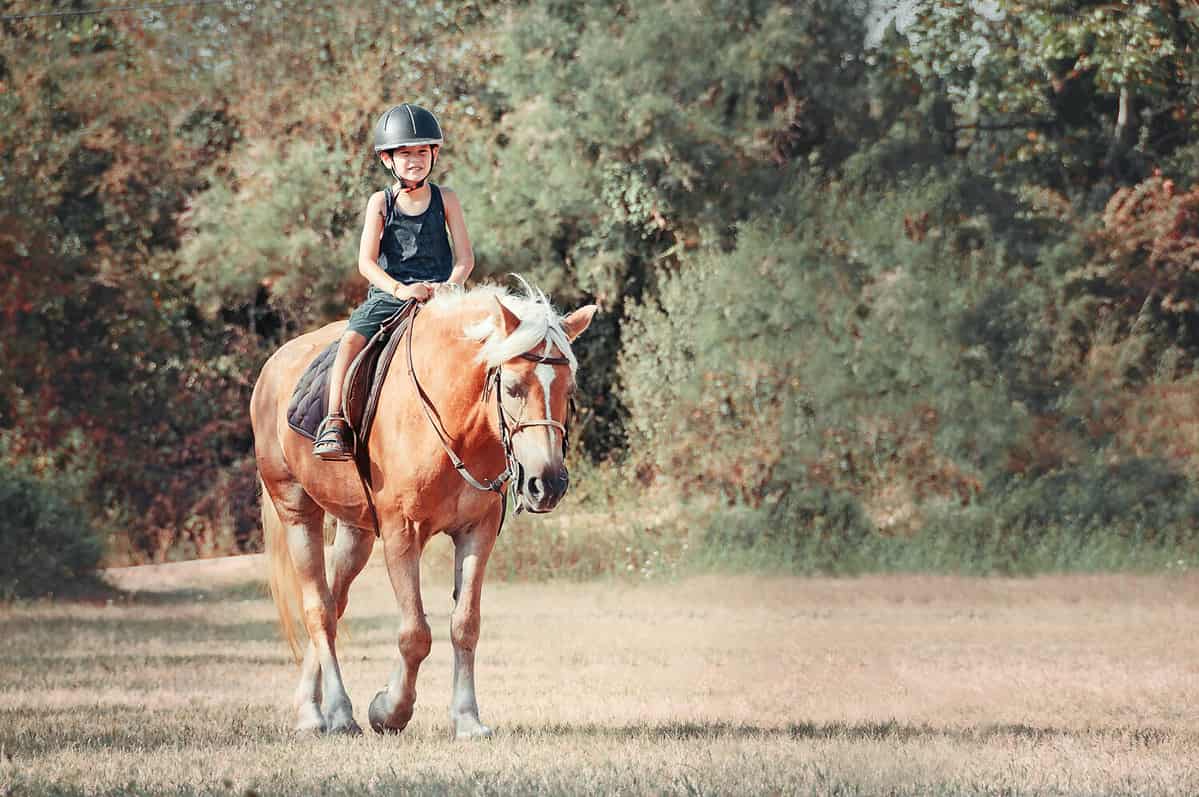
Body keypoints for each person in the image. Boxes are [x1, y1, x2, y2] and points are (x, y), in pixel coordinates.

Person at [312, 103, 474, 460]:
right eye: (405, 153)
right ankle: (334, 421)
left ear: (434, 154)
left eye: (421, 151)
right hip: (392, 293)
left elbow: (465, 258)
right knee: (352, 338)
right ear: (388, 159)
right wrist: (401, 290)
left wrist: (450, 285)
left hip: (440, 294)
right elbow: (366, 263)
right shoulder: (380, 202)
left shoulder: (446, 198)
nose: (414, 159)